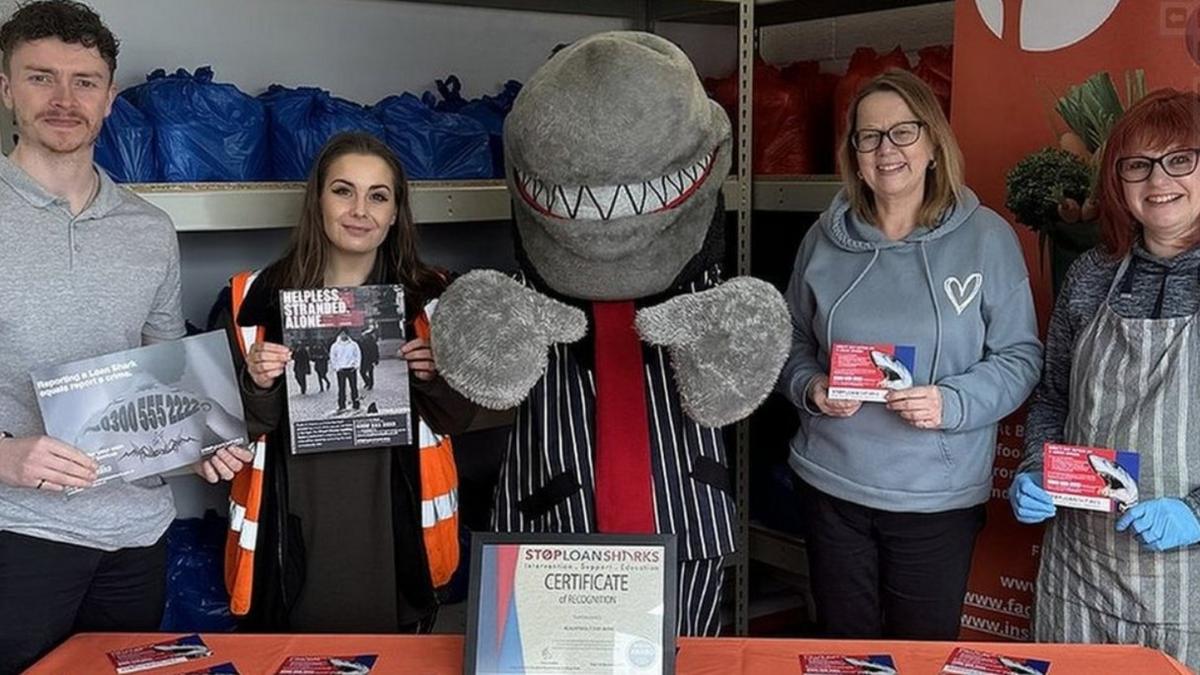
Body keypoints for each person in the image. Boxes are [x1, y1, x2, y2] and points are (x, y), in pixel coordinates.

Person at [0, 3, 249, 672]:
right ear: (5, 89)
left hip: (137, 535)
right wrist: (2, 457)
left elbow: (165, 373)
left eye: (84, 81)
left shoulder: (149, 227)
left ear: (110, 97)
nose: (63, 99)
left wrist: (198, 441)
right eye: (40, 77)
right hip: (20, 532)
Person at [778, 70, 1042, 640]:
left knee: (920, 653)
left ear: (932, 145)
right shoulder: (822, 238)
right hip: (831, 486)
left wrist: (953, 401)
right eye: (868, 136)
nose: (885, 149)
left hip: (935, 499)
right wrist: (811, 387)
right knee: (845, 651)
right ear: (853, 153)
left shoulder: (987, 238)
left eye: (902, 132)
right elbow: (790, 342)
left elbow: (1021, 356)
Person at [225, 131, 478, 633]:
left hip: (393, 524)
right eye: (343, 190)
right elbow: (229, 433)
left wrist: (432, 377)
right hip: (296, 520)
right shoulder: (254, 297)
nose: (360, 209)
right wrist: (257, 383)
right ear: (317, 200)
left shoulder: (432, 298)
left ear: (393, 214)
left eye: (377, 196)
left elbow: (457, 418)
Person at [1010, 89, 1200, 667]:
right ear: (1118, 180)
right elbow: (1053, 397)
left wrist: (1197, 515)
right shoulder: (1093, 276)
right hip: (1080, 576)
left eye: (1181, 159)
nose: (1158, 179)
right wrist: (1033, 467)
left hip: (1187, 589)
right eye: (1138, 164)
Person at [329, 330, 361, 412]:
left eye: (345, 334)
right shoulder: (335, 346)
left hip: (351, 369)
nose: (343, 335)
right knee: (341, 388)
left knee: (354, 387)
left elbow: (358, 355)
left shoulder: (353, 345)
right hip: (341, 369)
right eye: (342, 334)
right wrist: (336, 367)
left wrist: (356, 365)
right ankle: (341, 405)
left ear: (347, 334)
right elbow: (333, 357)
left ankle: (356, 403)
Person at [358, 325, 379, 391]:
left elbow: (375, 350)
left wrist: (375, 359)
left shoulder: (371, 341)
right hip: (363, 359)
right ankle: (368, 382)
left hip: (370, 358)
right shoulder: (361, 340)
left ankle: (370, 384)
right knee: (362, 372)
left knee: (370, 372)